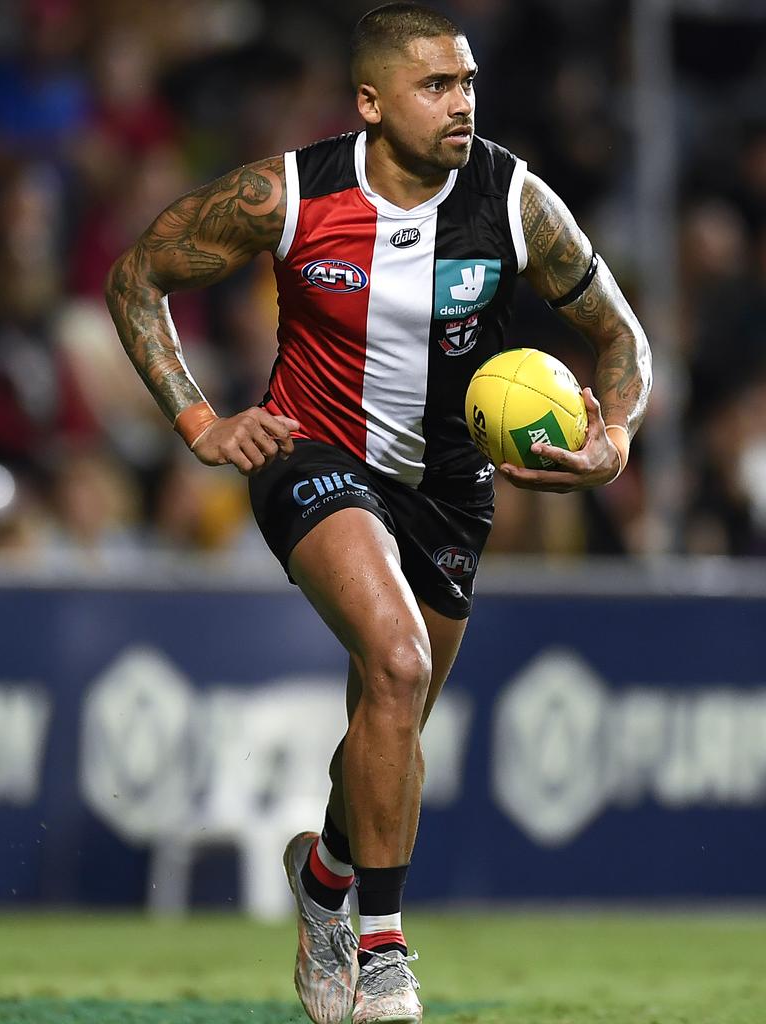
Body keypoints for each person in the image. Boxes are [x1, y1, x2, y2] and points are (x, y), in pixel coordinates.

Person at [105, 4, 652, 1022]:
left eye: (469, 83)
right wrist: (197, 421)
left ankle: (324, 881)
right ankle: (385, 954)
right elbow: (138, 274)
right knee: (396, 662)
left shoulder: (514, 198)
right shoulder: (291, 193)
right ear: (369, 102)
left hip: (450, 484)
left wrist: (614, 436)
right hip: (311, 454)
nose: (462, 104)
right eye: (436, 86)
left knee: (390, 718)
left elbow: (620, 336)